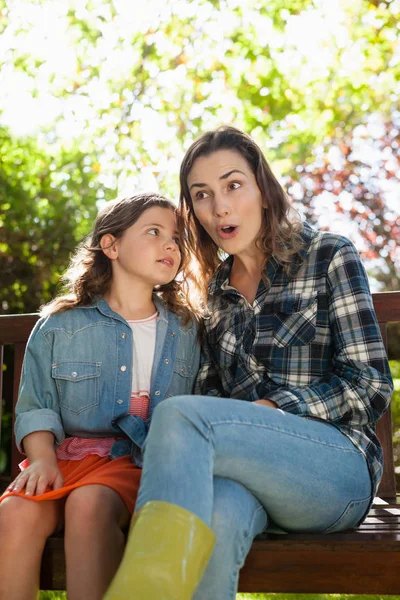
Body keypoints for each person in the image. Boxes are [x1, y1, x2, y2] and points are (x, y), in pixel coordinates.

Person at [104, 127, 393, 600]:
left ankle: (141, 593)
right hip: (249, 478)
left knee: (181, 414)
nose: (219, 208)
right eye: (202, 195)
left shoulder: (327, 256)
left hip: (335, 473)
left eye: (233, 185)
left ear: (262, 187)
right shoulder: (214, 294)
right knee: (214, 519)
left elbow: (370, 385)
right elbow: (213, 397)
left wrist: (276, 410)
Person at [0, 193, 201, 600]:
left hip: (135, 462)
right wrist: (40, 459)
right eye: (154, 232)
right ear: (111, 246)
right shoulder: (59, 325)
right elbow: (36, 406)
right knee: (14, 513)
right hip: (65, 459)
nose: (170, 245)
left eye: (176, 238)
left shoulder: (187, 329)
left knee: (89, 506)